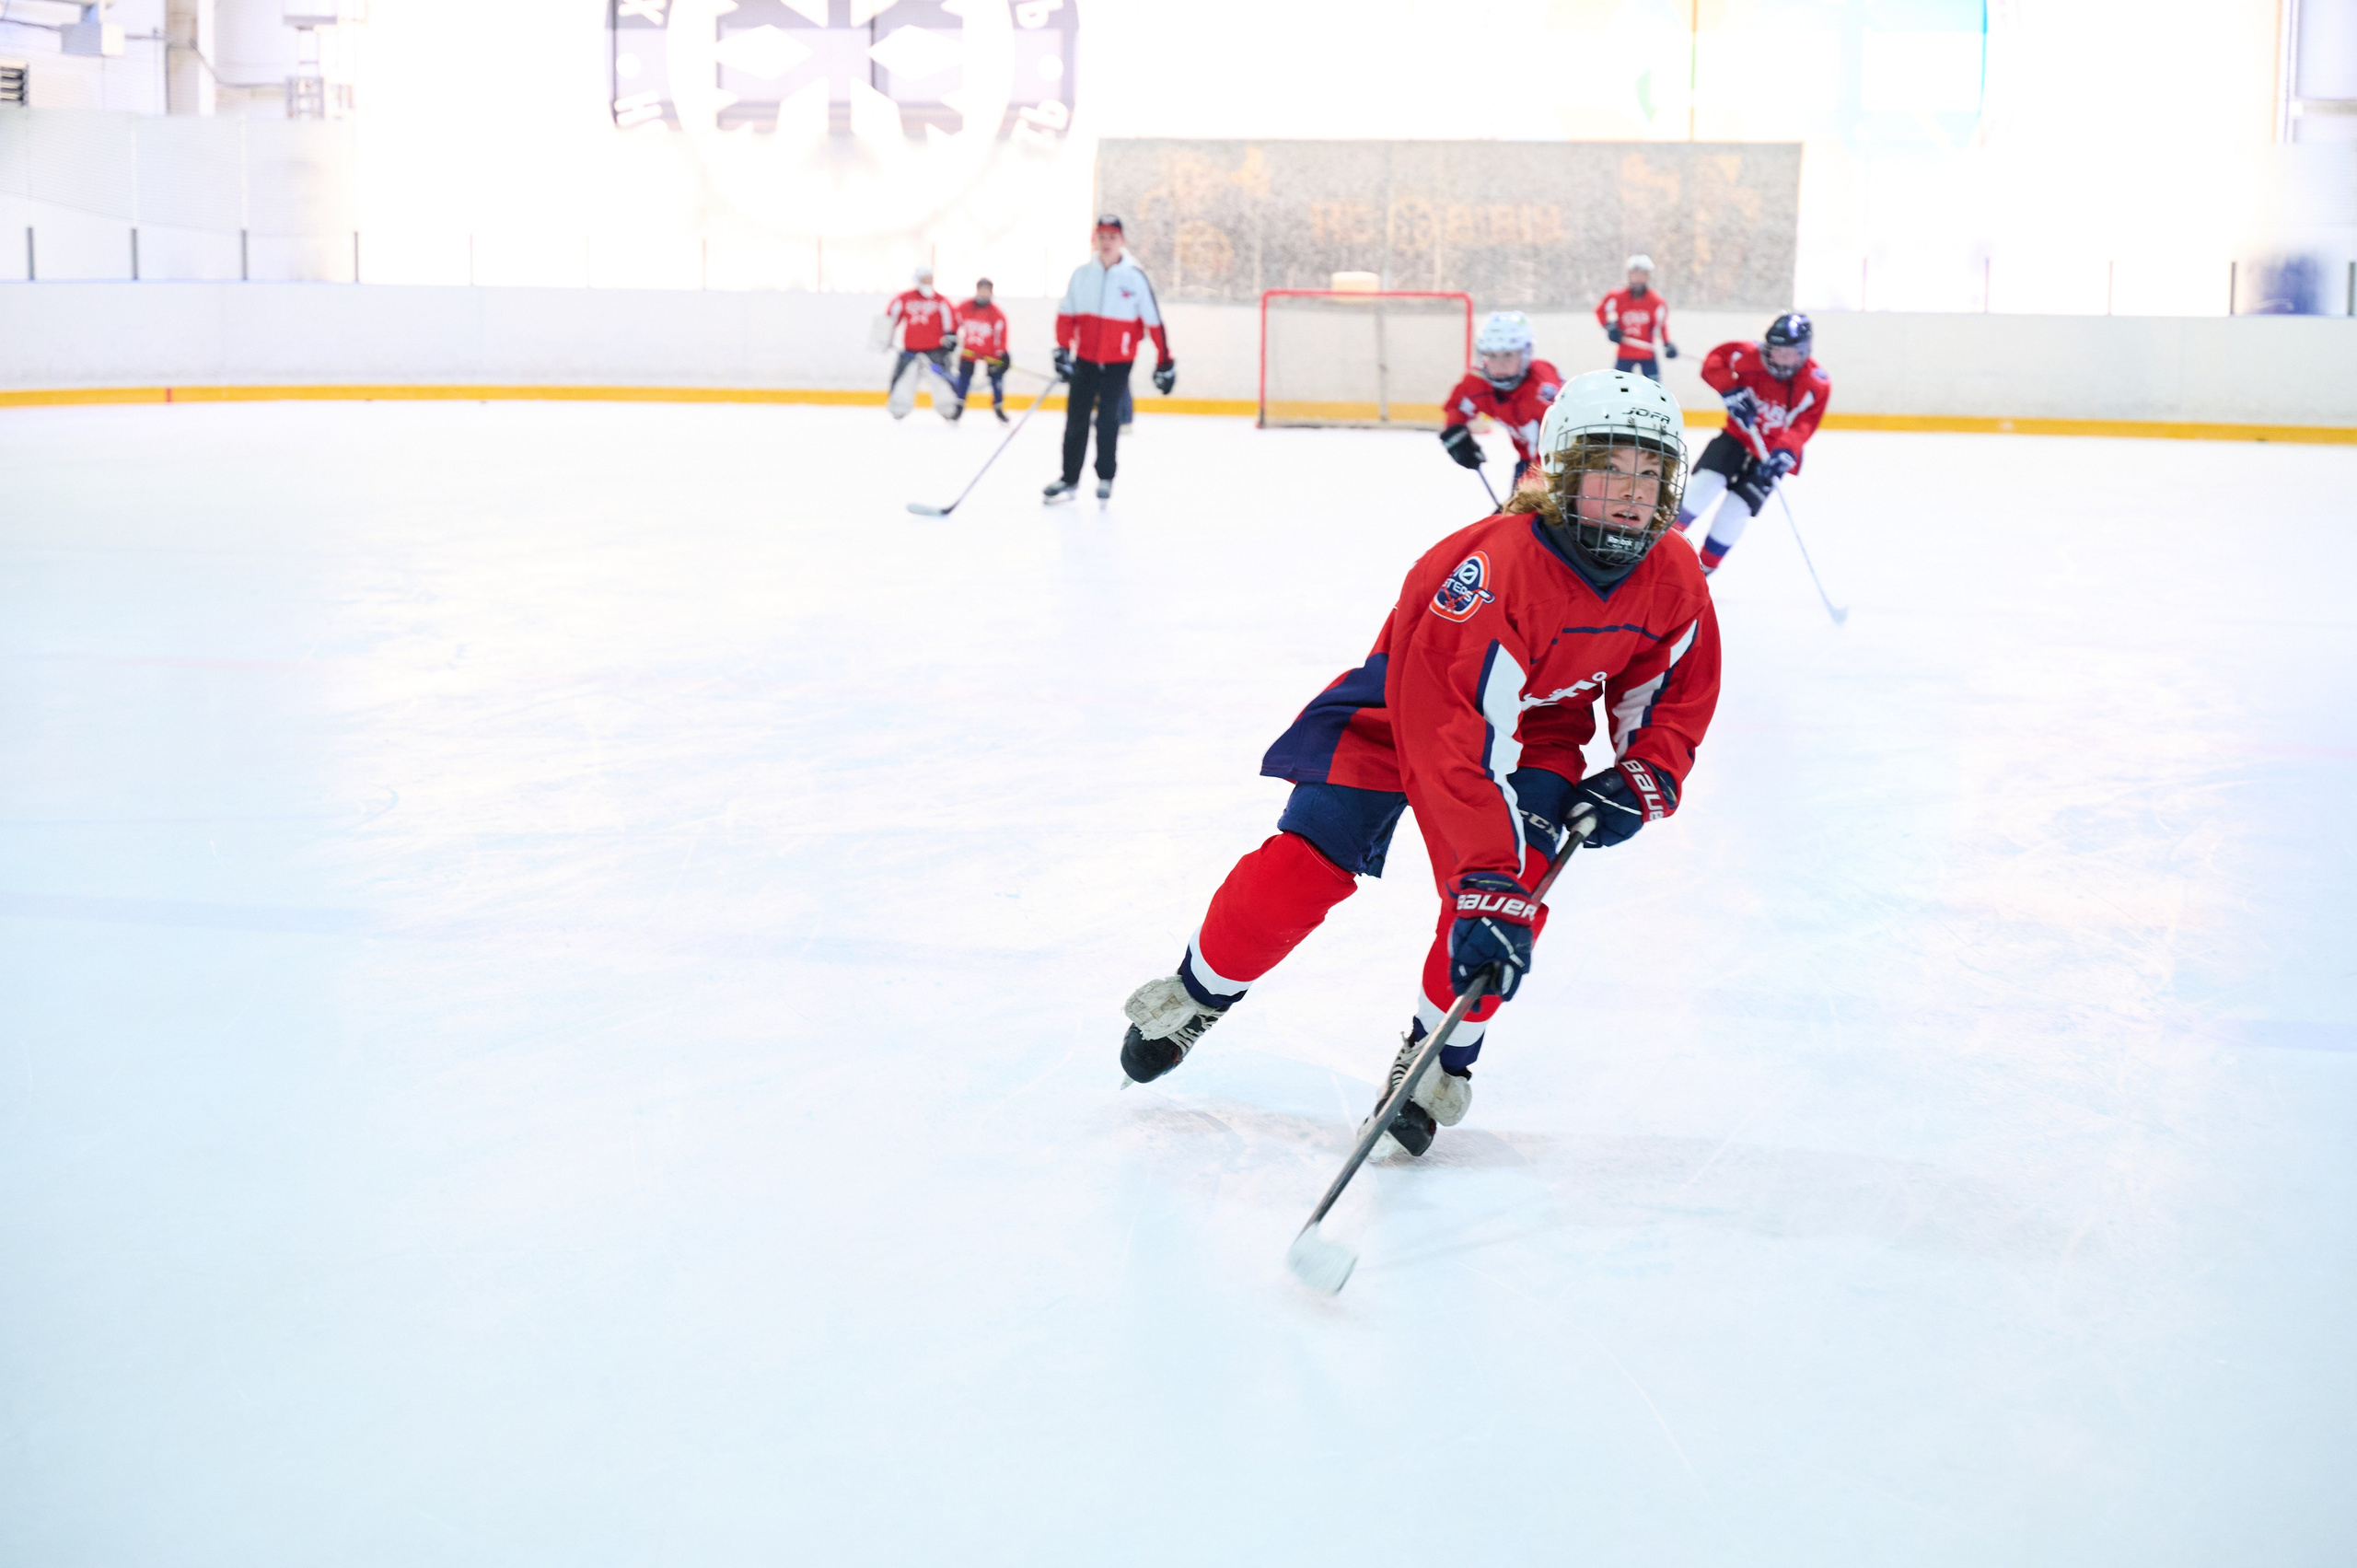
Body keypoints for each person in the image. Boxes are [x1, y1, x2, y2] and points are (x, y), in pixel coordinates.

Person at [1116, 371, 1720, 1157]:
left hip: (1538, 736)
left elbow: (1672, 689)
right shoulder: (1488, 568)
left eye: (1651, 473)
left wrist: (1645, 774)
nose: (1634, 493)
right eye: (1613, 468)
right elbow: (1449, 741)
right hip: (1405, 714)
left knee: (1518, 889)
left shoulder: (1673, 574)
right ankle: (1194, 995)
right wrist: (1484, 882)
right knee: (1311, 864)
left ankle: (1437, 1056)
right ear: (1566, 472)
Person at [1675, 313, 1830, 575]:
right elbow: (1714, 361)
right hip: (1735, 438)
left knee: (1735, 511)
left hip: (1772, 455)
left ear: (1804, 352)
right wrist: (1729, 389)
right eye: (1776, 351)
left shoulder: (1816, 383)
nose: (1780, 360)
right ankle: (1656, 549)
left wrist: (1785, 453)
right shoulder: (1748, 355)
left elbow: (1804, 425)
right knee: (1702, 488)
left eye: (1789, 354)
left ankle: (1702, 572)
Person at [1044, 215, 1175, 503]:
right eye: (1101, 236)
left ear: (1122, 241)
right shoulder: (1081, 275)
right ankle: (1069, 479)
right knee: (1076, 420)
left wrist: (1165, 361)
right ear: (1095, 240)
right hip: (1086, 359)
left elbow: (1154, 322)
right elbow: (1067, 316)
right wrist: (1062, 350)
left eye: (1112, 237)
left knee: (1107, 421)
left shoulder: (1135, 277)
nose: (1106, 242)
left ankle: (1105, 477)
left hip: (1118, 362)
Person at [1437, 311, 1563, 494]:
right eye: (1492, 356)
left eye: (1508, 355)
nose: (1499, 364)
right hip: (1529, 459)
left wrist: (1521, 501)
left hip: (1563, 464)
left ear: (1525, 354)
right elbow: (1457, 406)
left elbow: (1552, 455)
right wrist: (1456, 435)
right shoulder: (1477, 382)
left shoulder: (1541, 393)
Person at [882, 266, 962, 422]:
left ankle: (948, 409)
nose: (928, 281)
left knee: (942, 382)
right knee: (904, 380)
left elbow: (951, 320)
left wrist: (951, 337)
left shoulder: (941, 300)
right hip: (910, 350)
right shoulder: (904, 299)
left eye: (930, 278)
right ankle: (899, 408)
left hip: (935, 351)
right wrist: (884, 338)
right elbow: (890, 318)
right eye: (924, 278)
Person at [1596, 254, 1677, 382]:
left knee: (1654, 390)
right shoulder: (1618, 297)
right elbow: (1600, 311)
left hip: (1647, 354)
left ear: (1648, 276)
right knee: (1617, 387)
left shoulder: (1656, 302)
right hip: (1624, 353)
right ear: (1629, 275)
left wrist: (1667, 344)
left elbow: (1661, 326)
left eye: (1642, 274)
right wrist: (1609, 327)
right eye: (1635, 274)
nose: (1638, 278)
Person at [950, 277, 1012, 424]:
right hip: (969, 351)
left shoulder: (996, 312)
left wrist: (1002, 352)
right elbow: (954, 322)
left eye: (987, 290)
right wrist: (951, 337)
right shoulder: (965, 306)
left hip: (990, 353)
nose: (984, 293)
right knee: (963, 378)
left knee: (997, 379)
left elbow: (1001, 333)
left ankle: (998, 408)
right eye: (981, 290)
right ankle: (959, 407)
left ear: (991, 292)